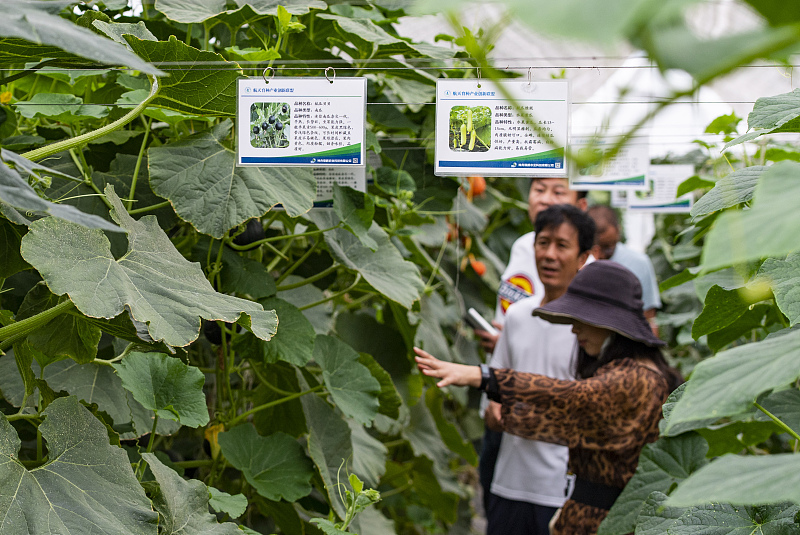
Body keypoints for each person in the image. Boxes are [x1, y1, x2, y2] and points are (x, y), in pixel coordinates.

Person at [416, 261, 681, 535]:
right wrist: (506, 412)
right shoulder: (626, 370)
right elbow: (571, 420)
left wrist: (485, 377)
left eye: (581, 319)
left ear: (610, 321)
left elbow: (572, 396)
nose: (574, 329)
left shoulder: (639, 377)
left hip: (614, 522)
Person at [475, 177, 588, 530]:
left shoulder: (592, 325)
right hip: (510, 480)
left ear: (584, 257)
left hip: (565, 486)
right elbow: (496, 386)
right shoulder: (519, 316)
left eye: (562, 246)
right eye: (544, 243)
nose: (549, 254)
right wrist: (494, 408)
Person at [587, 205, 661, 334]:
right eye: (595, 248)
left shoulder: (638, 263)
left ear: (618, 231)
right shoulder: (577, 263)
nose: (602, 255)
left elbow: (649, 317)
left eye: (608, 247)